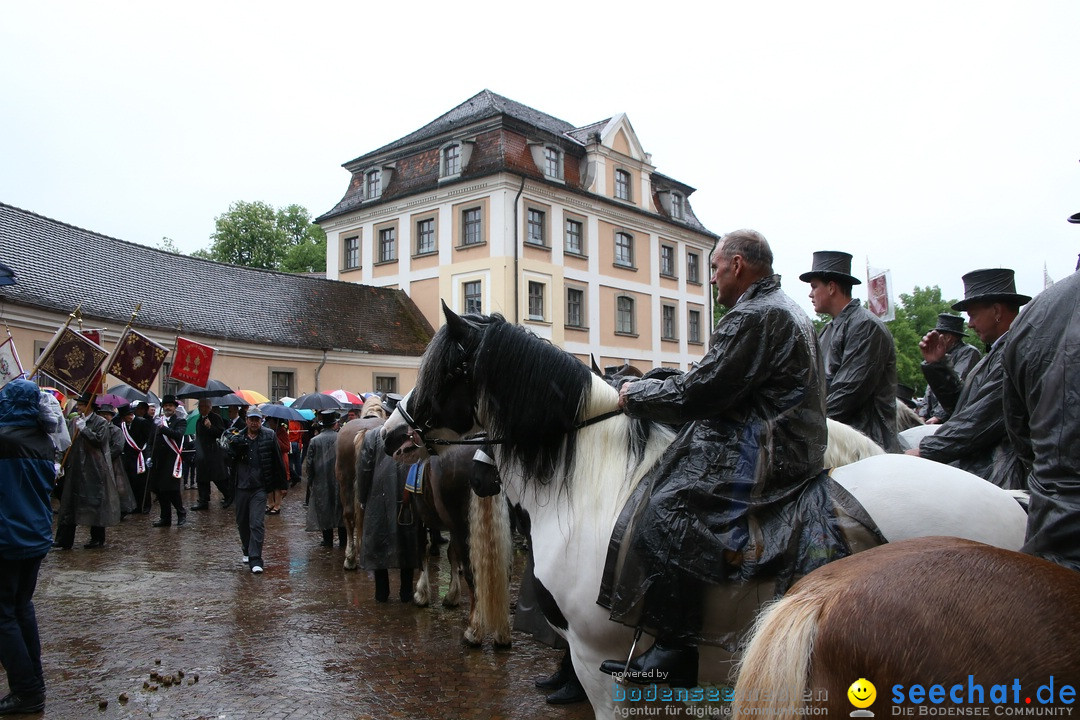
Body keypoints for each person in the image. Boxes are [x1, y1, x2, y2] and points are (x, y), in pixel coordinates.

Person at [598, 230, 831, 686]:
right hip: (784, 438)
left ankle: (674, 649)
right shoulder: (783, 307)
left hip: (768, 447)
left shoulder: (755, 315)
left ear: (738, 265)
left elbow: (700, 392)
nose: (712, 280)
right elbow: (716, 377)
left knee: (667, 507)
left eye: (715, 269)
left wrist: (635, 394)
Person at [908, 269, 1029, 490]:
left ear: (996, 311)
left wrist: (925, 450)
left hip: (1003, 476)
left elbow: (980, 420)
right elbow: (963, 407)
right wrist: (938, 366)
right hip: (985, 466)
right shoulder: (997, 352)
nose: (970, 324)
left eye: (973, 315)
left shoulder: (1015, 352)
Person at [1002, 264, 1080, 571]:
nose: (970, 321)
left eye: (974, 310)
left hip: (1050, 525)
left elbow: (1018, 432)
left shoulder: (1035, 312)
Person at [801, 250, 899, 452]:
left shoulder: (866, 326)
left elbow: (848, 392)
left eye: (814, 286)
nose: (810, 294)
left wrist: (805, 427)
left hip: (869, 447)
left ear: (831, 287)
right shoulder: (827, 331)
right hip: (838, 441)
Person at [0, 379, 55, 715]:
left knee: (3, 614)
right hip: (33, 536)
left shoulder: (4, 440)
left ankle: (27, 689)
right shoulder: (43, 440)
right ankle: (34, 681)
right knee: (21, 608)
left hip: (7, 537)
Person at [358, 395, 419, 602]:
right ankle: (406, 592)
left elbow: (364, 469)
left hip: (378, 497)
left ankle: (381, 592)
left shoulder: (372, 435)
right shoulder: (415, 438)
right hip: (408, 495)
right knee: (408, 542)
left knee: (378, 544)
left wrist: (362, 498)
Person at [54, 392, 122, 549]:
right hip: (74, 468)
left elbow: (100, 441)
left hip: (94, 470)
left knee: (94, 503)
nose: (78, 406)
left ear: (90, 405)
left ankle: (97, 538)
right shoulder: (74, 421)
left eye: (81, 404)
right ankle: (64, 539)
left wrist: (85, 430)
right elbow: (66, 442)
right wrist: (59, 463)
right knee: (69, 503)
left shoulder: (101, 422)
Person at [227, 407, 287, 574]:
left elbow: (277, 460)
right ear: (246, 420)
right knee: (242, 522)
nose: (254, 422)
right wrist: (234, 447)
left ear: (261, 420)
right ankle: (247, 548)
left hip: (259, 487)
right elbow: (228, 457)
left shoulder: (269, 436)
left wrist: (282, 485)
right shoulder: (237, 436)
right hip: (241, 486)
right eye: (251, 419)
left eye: (257, 419)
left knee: (256, 523)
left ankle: (256, 558)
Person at [919, 313, 982, 424]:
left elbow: (956, 384)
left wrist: (939, 417)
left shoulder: (968, 353)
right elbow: (930, 388)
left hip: (953, 419)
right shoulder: (939, 356)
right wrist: (922, 414)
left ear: (948, 338)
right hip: (934, 416)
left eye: (938, 335)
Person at [304, 413, 345, 548]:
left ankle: (327, 540)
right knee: (340, 507)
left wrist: (310, 480)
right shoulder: (341, 438)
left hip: (321, 479)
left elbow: (309, 463)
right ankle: (343, 540)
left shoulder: (315, 441)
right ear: (334, 424)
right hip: (340, 479)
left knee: (324, 507)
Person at [147, 395, 188, 527]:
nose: (167, 408)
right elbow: (150, 442)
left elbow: (177, 435)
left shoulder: (180, 421)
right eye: (165, 406)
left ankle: (181, 513)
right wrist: (148, 456)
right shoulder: (158, 421)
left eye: (170, 405)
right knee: (160, 490)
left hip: (171, 460)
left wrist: (163, 428)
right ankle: (165, 517)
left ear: (175, 408)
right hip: (158, 461)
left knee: (172, 490)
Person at [190, 399, 227, 511]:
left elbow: (221, 433)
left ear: (209, 407)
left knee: (219, 478)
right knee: (202, 478)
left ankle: (229, 495)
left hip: (213, 453)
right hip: (202, 454)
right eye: (200, 407)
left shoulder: (215, 418)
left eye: (204, 406)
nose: (202, 409)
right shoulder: (198, 420)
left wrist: (210, 427)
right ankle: (203, 500)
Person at [99, 404, 136, 516]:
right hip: (97, 462)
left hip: (113, 463)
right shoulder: (97, 429)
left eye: (107, 414)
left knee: (118, 488)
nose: (105, 416)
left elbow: (118, 447)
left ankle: (121, 509)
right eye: (102, 414)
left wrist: (106, 457)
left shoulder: (116, 430)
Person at [120, 402, 153, 513]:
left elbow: (149, 439)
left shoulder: (142, 422)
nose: (128, 418)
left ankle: (145, 506)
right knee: (133, 483)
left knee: (143, 484)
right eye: (126, 417)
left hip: (141, 456)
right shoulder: (124, 425)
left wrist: (148, 455)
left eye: (129, 415)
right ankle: (136, 506)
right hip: (130, 458)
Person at [265, 417, 290, 515]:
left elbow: (286, 447)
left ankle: (277, 505)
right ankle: (271, 503)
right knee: (271, 482)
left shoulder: (282, 431)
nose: (269, 422)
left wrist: (276, 440)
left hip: (280, 460)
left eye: (270, 420)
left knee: (278, 483)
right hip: (272, 459)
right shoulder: (271, 431)